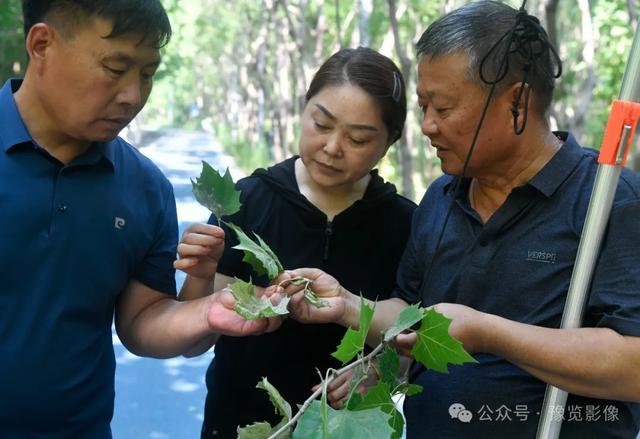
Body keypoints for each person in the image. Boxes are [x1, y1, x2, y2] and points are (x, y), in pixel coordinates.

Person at [281, 1, 640, 437]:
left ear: (518, 103)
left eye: (444, 108)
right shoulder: (441, 198)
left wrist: (490, 333)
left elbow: (633, 365)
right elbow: (411, 313)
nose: (428, 126)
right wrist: (346, 306)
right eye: (423, 106)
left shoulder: (608, 201)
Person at [0, 1, 281, 437]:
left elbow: (140, 322)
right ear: (41, 44)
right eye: (116, 68)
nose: (133, 95)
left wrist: (206, 311)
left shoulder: (146, 189)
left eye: (147, 74)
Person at [178, 47, 416, 437]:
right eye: (321, 124)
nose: (333, 147)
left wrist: (382, 372)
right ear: (304, 110)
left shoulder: (405, 223)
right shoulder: (248, 202)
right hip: (238, 425)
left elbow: (413, 343)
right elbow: (192, 344)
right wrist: (201, 277)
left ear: (389, 143)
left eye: (358, 138)